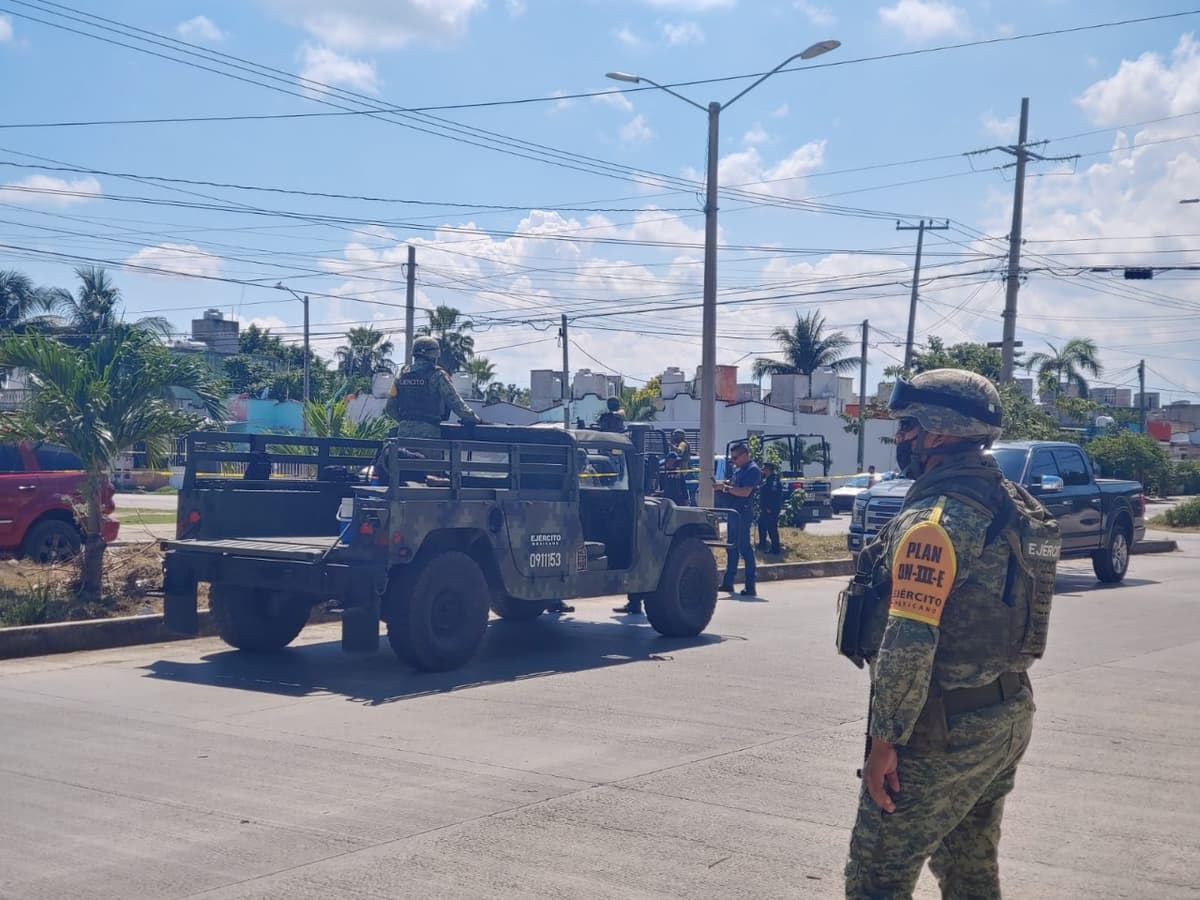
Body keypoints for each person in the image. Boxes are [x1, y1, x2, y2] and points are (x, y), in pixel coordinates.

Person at [842, 368, 1056, 899]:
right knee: (969, 874)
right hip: (1003, 715)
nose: (901, 438)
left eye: (908, 426)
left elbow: (909, 640)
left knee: (875, 880)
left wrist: (886, 741)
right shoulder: (1007, 501)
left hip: (943, 731)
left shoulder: (938, 520)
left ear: (937, 433)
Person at [385, 335, 481, 438]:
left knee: (404, 455)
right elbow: (455, 403)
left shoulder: (402, 375)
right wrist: (475, 419)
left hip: (404, 434)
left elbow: (390, 406)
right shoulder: (437, 374)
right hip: (429, 434)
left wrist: (407, 422)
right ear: (434, 355)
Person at [714, 442, 761, 597]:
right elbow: (734, 485)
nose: (733, 461)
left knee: (744, 548)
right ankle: (728, 583)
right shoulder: (739, 469)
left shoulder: (753, 470)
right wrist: (723, 484)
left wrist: (726, 488)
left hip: (743, 512)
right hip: (734, 511)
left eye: (735, 458)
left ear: (745, 455)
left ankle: (750, 585)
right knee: (731, 547)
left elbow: (745, 492)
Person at [756, 461, 783, 554]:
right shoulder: (767, 479)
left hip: (770, 510)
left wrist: (770, 508)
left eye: (764, 469)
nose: (763, 471)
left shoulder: (773, 481)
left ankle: (775, 549)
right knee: (761, 524)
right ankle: (762, 544)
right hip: (765, 509)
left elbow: (774, 496)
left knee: (772, 529)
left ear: (768, 470)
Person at [672, 428, 697, 505]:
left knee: (678, 486)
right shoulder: (682, 443)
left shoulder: (682, 444)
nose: (674, 438)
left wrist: (672, 447)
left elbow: (680, 452)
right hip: (682, 468)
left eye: (676, 436)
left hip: (681, 468)